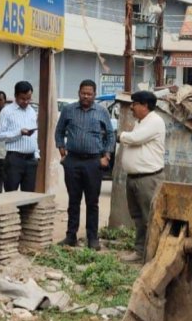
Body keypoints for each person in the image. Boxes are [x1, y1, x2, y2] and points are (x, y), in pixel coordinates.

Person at [55, 80, 116, 250]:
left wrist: (106, 156)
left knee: (92, 202)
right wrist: (62, 151)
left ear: (95, 94)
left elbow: (110, 136)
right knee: (73, 201)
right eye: (83, 93)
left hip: (93, 162)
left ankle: (92, 238)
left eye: (89, 94)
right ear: (78, 93)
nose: (86, 97)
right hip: (72, 160)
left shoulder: (102, 111)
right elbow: (59, 131)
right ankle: (70, 236)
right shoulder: (68, 110)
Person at [118, 91, 166, 263]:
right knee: (138, 217)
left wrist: (121, 136)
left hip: (148, 178)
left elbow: (135, 139)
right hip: (134, 178)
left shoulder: (155, 121)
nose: (132, 107)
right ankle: (140, 251)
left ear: (145, 105)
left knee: (150, 217)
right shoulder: (141, 122)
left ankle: (153, 255)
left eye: (135, 103)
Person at [0, 81, 39, 192]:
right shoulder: (7, 111)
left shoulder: (32, 111)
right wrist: (19, 132)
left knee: (29, 196)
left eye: (28, 98)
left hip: (31, 160)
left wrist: (36, 154)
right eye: (22, 98)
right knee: (11, 194)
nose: (26, 102)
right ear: (16, 96)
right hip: (14, 159)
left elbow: (35, 135)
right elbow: (0, 135)